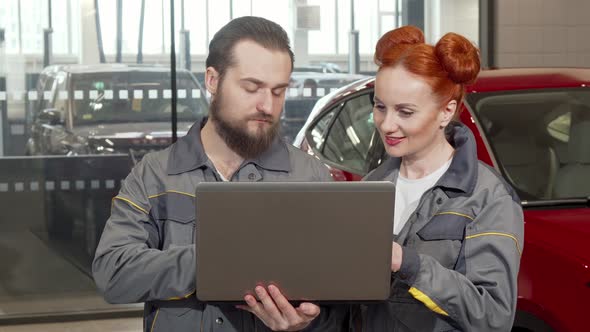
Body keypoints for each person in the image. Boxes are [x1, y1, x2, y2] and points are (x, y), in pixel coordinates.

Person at [92, 16, 345, 332]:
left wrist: (308, 323)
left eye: (279, 91)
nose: (267, 105)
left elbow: (339, 306)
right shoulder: (156, 175)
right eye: (251, 87)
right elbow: (113, 273)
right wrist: (217, 262)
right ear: (212, 80)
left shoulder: (310, 176)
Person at [358, 26, 524, 331]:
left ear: (446, 111)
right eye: (379, 107)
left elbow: (493, 316)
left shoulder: (486, 198)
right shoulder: (371, 186)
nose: (387, 124)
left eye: (405, 112)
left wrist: (410, 265)